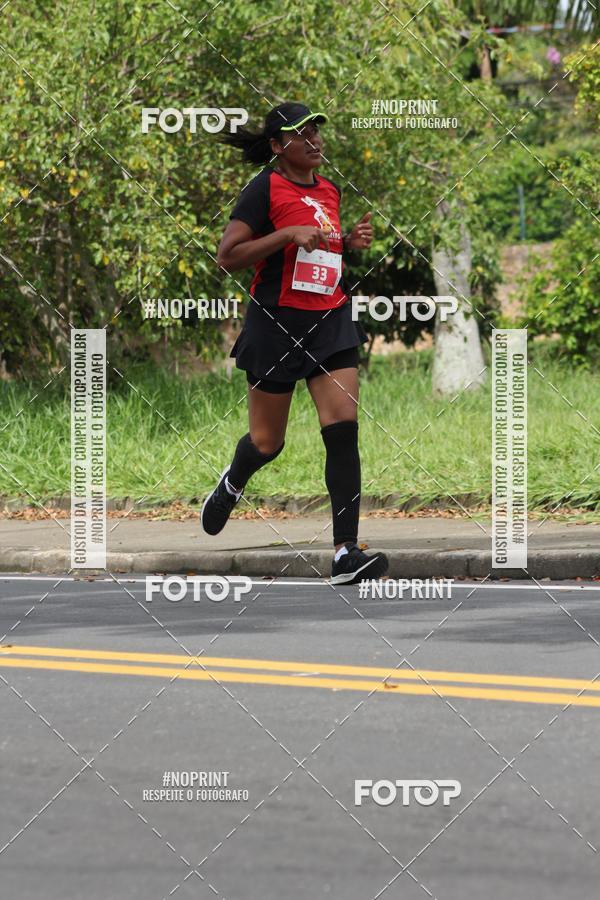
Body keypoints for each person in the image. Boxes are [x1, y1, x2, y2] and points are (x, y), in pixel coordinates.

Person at [201, 102, 388, 585]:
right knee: (267, 442)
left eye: (317, 133)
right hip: (276, 324)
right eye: (302, 136)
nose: (315, 142)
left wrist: (347, 241)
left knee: (343, 428)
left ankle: (345, 552)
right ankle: (233, 480)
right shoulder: (263, 188)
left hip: (329, 319)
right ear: (278, 146)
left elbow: (320, 248)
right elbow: (228, 256)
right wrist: (285, 233)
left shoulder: (328, 189)